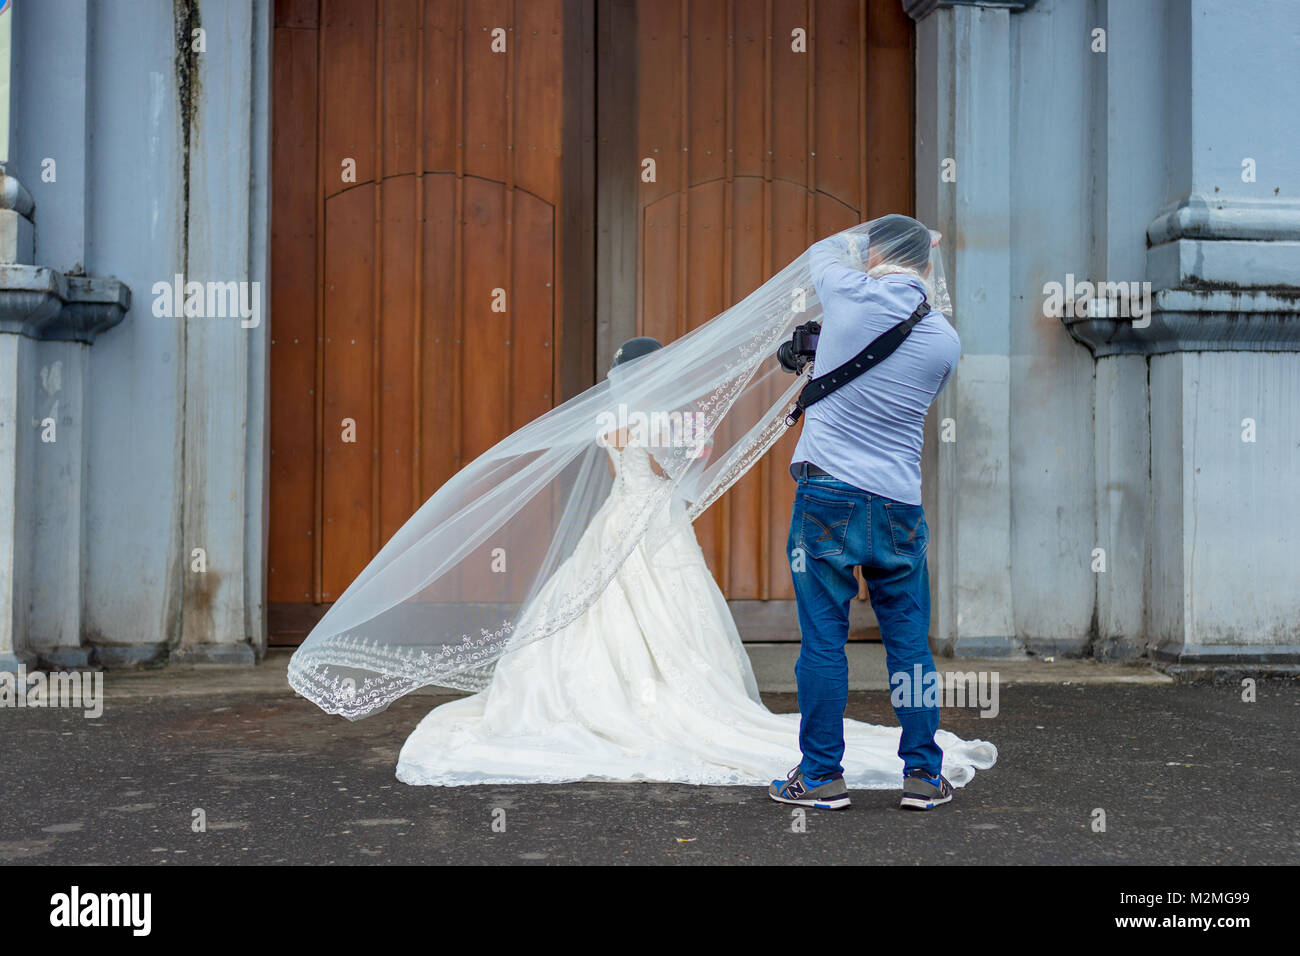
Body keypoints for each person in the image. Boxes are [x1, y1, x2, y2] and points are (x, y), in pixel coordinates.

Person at [395, 333, 995, 793]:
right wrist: (688, 452)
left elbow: (621, 477)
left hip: (618, 520)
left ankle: (615, 696)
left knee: (597, 605)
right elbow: (672, 477)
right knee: (674, 611)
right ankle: (914, 766)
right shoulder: (661, 420)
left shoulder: (612, 423)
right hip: (658, 522)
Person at [768, 214, 966, 812]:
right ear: (928, 270)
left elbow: (822, 249)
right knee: (909, 644)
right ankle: (924, 777)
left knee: (823, 641)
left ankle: (822, 776)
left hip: (828, 497)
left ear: (874, 257)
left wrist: (874, 234)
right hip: (900, 504)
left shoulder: (848, 293)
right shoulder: (944, 339)